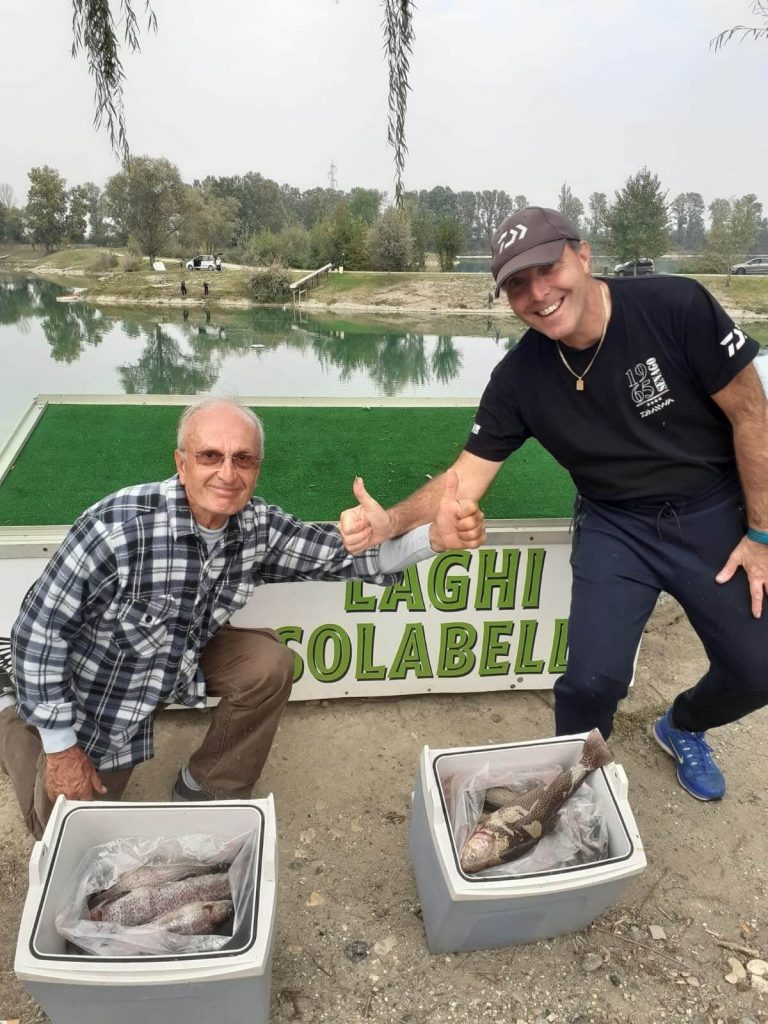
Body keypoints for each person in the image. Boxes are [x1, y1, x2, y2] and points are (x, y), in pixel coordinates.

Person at [340, 205, 768, 803]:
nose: (538, 293)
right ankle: (574, 787)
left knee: (757, 670)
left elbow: (752, 415)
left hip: (711, 508)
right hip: (616, 523)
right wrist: (392, 521)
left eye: (548, 268)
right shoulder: (520, 378)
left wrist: (761, 534)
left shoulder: (677, 307)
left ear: (584, 255)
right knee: (593, 682)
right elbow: (466, 474)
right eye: (517, 283)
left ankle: (683, 725)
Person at [0, 397, 484, 839]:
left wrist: (433, 540)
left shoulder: (257, 525)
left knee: (268, 665)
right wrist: (62, 751)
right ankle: (9, 715)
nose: (227, 473)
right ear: (181, 463)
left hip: (180, 651)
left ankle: (208, 784)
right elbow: (38, 636)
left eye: (243, 459)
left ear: (257, 469)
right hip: (100, 684)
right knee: (64, 829)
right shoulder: (115, 528)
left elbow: (346, 556)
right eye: (210, 456)